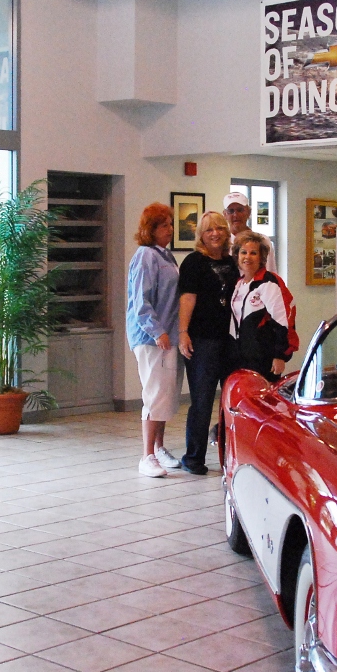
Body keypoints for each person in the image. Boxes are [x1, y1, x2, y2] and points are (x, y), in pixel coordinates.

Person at [177, 210, 239, 474]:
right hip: (202, 340)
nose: (215, 234)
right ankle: (193, 458)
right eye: (209, 230)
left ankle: (229, 456)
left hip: (231, 341)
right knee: (202, 401)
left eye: (220, 229)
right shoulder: (193, 262)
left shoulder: (233, 261)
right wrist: (183, 332)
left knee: (230, 401)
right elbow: (187, 299)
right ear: (201, 235)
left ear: (226, 232)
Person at [126, 202, 183, 478]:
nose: (169, 229)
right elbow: (141, 302)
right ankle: (147, 455)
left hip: (168, 335)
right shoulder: (145, 256)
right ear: (150, 229)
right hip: (152, 338)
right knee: (154, 394)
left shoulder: (166, 255)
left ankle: (159, 448)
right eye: (163, 225)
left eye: (171, 224)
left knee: (165, 397)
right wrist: (157, 331)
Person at [230, 230, 298, 382]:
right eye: (243, 252)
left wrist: (280, 356)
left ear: (261, 257)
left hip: (264, 359)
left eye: (253, 253)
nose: (247, 257)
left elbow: (282, 320)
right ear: (237, 255)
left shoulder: (269, 282)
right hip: (243, 357)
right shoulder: (239, 284)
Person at [223, 191, 278, 274]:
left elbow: (270, 272)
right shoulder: (222, 243)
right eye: (231, 211)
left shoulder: (263, 241)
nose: (235, 215)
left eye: (240, 210)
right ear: (225, 215)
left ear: (248, 212)